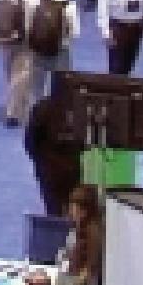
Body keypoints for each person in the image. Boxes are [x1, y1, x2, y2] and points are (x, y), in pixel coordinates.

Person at [23, 86, 84, 218]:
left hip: (54, 168)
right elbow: (30, 143)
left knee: (56, 211)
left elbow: (30, 142)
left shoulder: (42, 108)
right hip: (56, 168)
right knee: (57, 210)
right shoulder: (44, 110)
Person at [56, 184, 103, 285]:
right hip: (70, 280)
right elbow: (67, 253)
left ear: (84, 211)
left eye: (74, 208)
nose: (71, 212)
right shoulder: (76, 228)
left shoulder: (93, 235)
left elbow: (85, 277)